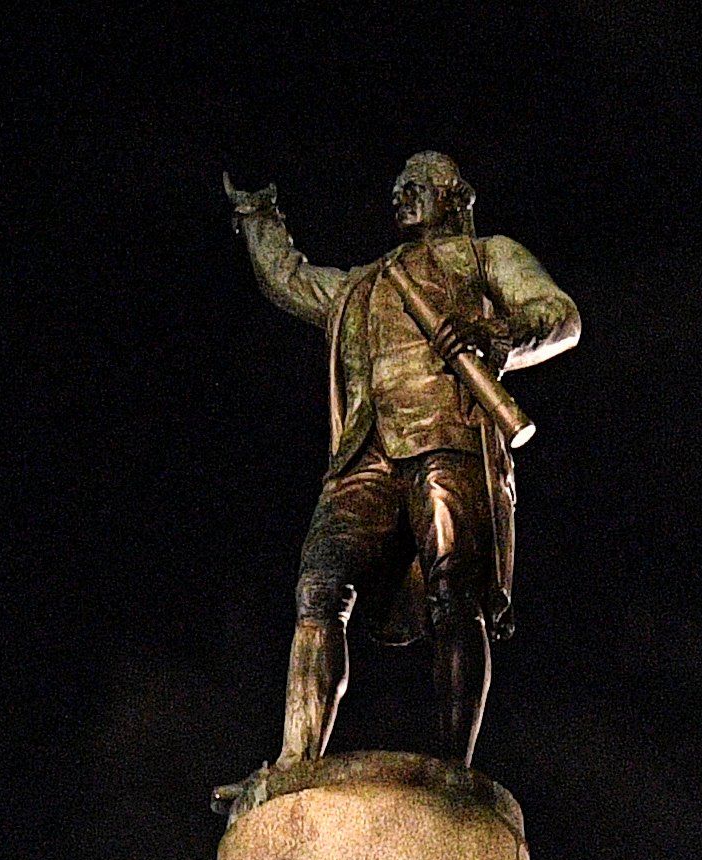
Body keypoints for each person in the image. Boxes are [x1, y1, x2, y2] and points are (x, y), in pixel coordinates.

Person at [225, 152, 582, 767]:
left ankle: (453, 771)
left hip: (447, 438)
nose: (401, 196)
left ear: (456, 196)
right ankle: (294, 762)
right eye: (396, 189)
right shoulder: (367, 282)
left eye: (415, 185)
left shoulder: (485, 255)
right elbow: (290, 279)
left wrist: (494, 331)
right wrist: (259, 215)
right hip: (366, 454)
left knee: (455, 596)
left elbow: (559, 316)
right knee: (318, 586)